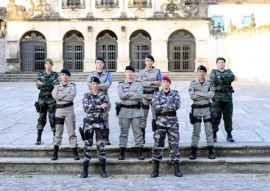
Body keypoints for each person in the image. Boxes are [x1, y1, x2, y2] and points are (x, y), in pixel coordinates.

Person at [151, 76, 183, 178]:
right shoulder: (157, 94)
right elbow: (156, 107)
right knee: (158, 145)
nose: (165, 83)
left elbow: (177, 105)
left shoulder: (175, 93)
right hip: (160, 123)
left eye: (167, 82)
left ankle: (176, 168)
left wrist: (163, 105)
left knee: (174, 145)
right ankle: (155, 169)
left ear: (169, 83)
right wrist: (169, 105)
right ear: (161, 83)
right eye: (163, 82)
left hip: (172, 123)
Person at [80, 77, 109, 178]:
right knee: (87, 146)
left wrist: (93, 106)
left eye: (97, 83)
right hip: (88, 125)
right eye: (93, 83)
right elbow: (86, 109)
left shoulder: (103, 95)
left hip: (99, 124)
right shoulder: (86, 95)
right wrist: (99, 106)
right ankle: (85, 169)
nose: (95, 85)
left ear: (99, 85)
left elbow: (105, 108)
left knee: (101, 147)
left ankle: (103, 169)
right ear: (91, 84)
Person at [51, 69, 79, 161]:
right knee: (58, 132)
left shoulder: (72, 86)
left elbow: (71, 97)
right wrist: (65, 94)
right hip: (59, 110)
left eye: (66, 75)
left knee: (71, 132)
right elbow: (55, 96)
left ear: (68, 76)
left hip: (69, 110)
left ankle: (75, 152)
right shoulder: (56, 86)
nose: (64, 76)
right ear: (60, 76)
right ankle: (55, 152)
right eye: (63, 74)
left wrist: (61, 95)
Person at [117, 65, 144, 161]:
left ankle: (139, 150)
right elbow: (121, 96)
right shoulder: (120, 84)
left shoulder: (139, 84)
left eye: (131, 72)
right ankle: (122, 151)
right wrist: (133, 93)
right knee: (123, 132)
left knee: (138, 132)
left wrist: (127, 94)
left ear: (134, 73)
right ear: (125, 73)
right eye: (127, 72)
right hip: (124, 111)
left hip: (136, 111)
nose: (129, 73)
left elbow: (139, 96)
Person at [189, 65, 215, 160]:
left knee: (209, 131)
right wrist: (206, 95)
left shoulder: (210, 83)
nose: (201, 73)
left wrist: (199, 93)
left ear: (205, 73)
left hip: (207, 110)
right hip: (196, 110)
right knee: (196, 131)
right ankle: (193, 151)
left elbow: (211, 95)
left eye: (203, 71)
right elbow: (192, 96)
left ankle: (211, 151)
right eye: (199, 71)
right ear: (197, 72)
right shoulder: (193, 83)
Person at [86, 57, 112, 145]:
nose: (99, 64)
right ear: (95, 64)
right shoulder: (91, 74)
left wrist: (95, 85)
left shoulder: (108, 74)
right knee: (92, 117)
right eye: (98, 62)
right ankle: (92, 138)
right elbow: (89, 86)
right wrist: (101, 85)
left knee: (105, 118)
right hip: (93, 97)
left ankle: (106, 137)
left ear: (103, 64)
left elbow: (108, 84)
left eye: (101, 62)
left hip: (104, 97)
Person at [137, 55, 162, 144]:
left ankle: (156, 137)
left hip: (155, 96)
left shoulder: (157, 71)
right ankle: (142, 137)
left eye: (151, 60)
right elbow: (139, 84)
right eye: (147, 60)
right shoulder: (141, 72)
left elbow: (159, 83)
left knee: (156, 116)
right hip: (144, 96)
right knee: (143, 116)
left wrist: (147, 82)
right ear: (145, 62)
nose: (149, 62)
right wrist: (152, 82)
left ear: (153, 62)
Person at [210, 57, 235, 142]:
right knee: (215, 117)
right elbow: (214, 79)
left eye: (222, 62)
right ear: (217, 64)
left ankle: (229, 135)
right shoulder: (213, 72)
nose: (221, 64)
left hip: (228, 98)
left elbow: (232, 77)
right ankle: (214, 135)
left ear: (224, 64)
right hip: (217, 98)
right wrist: (224, 79)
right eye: (219, 62)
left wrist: (220, 77)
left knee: (228, 117)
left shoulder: (229, 71)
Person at [35, 58, 59, 145]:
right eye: (47, 63)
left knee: (52, 118)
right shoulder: (40, 74)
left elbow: (56, 85)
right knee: (41, 118)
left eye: (50, 64)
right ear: (45, 65)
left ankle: (55, 137)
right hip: (42, 100)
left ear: (52, 65)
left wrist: (44, 84)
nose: (48, 65)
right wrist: (49, 84)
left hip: (52, 100)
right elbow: (38, 87)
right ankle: (39, 137)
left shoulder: (55, 75)